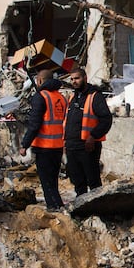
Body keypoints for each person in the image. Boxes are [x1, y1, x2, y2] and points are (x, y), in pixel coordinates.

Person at [20, 68, 67, 211]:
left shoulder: (40, 97)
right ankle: (58, 204)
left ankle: (53, 207)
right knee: (53, 179)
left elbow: (34, 124)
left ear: (40, 81)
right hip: (58, 146)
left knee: (46, 181)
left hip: (44, 146)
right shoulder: (61, 98)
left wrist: (25, 145)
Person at [65, 68, 113, 196]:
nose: (74, 81)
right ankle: (82, 208)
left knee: (93, 180)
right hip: (72, 146)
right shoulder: (72, 97)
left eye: (77, 78)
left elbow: (106, 119)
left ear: (85, 78)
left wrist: (93, 136)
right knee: (77, 180)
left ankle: (97, 208)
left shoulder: (95, 96)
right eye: (72, 79)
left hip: (87, 146)